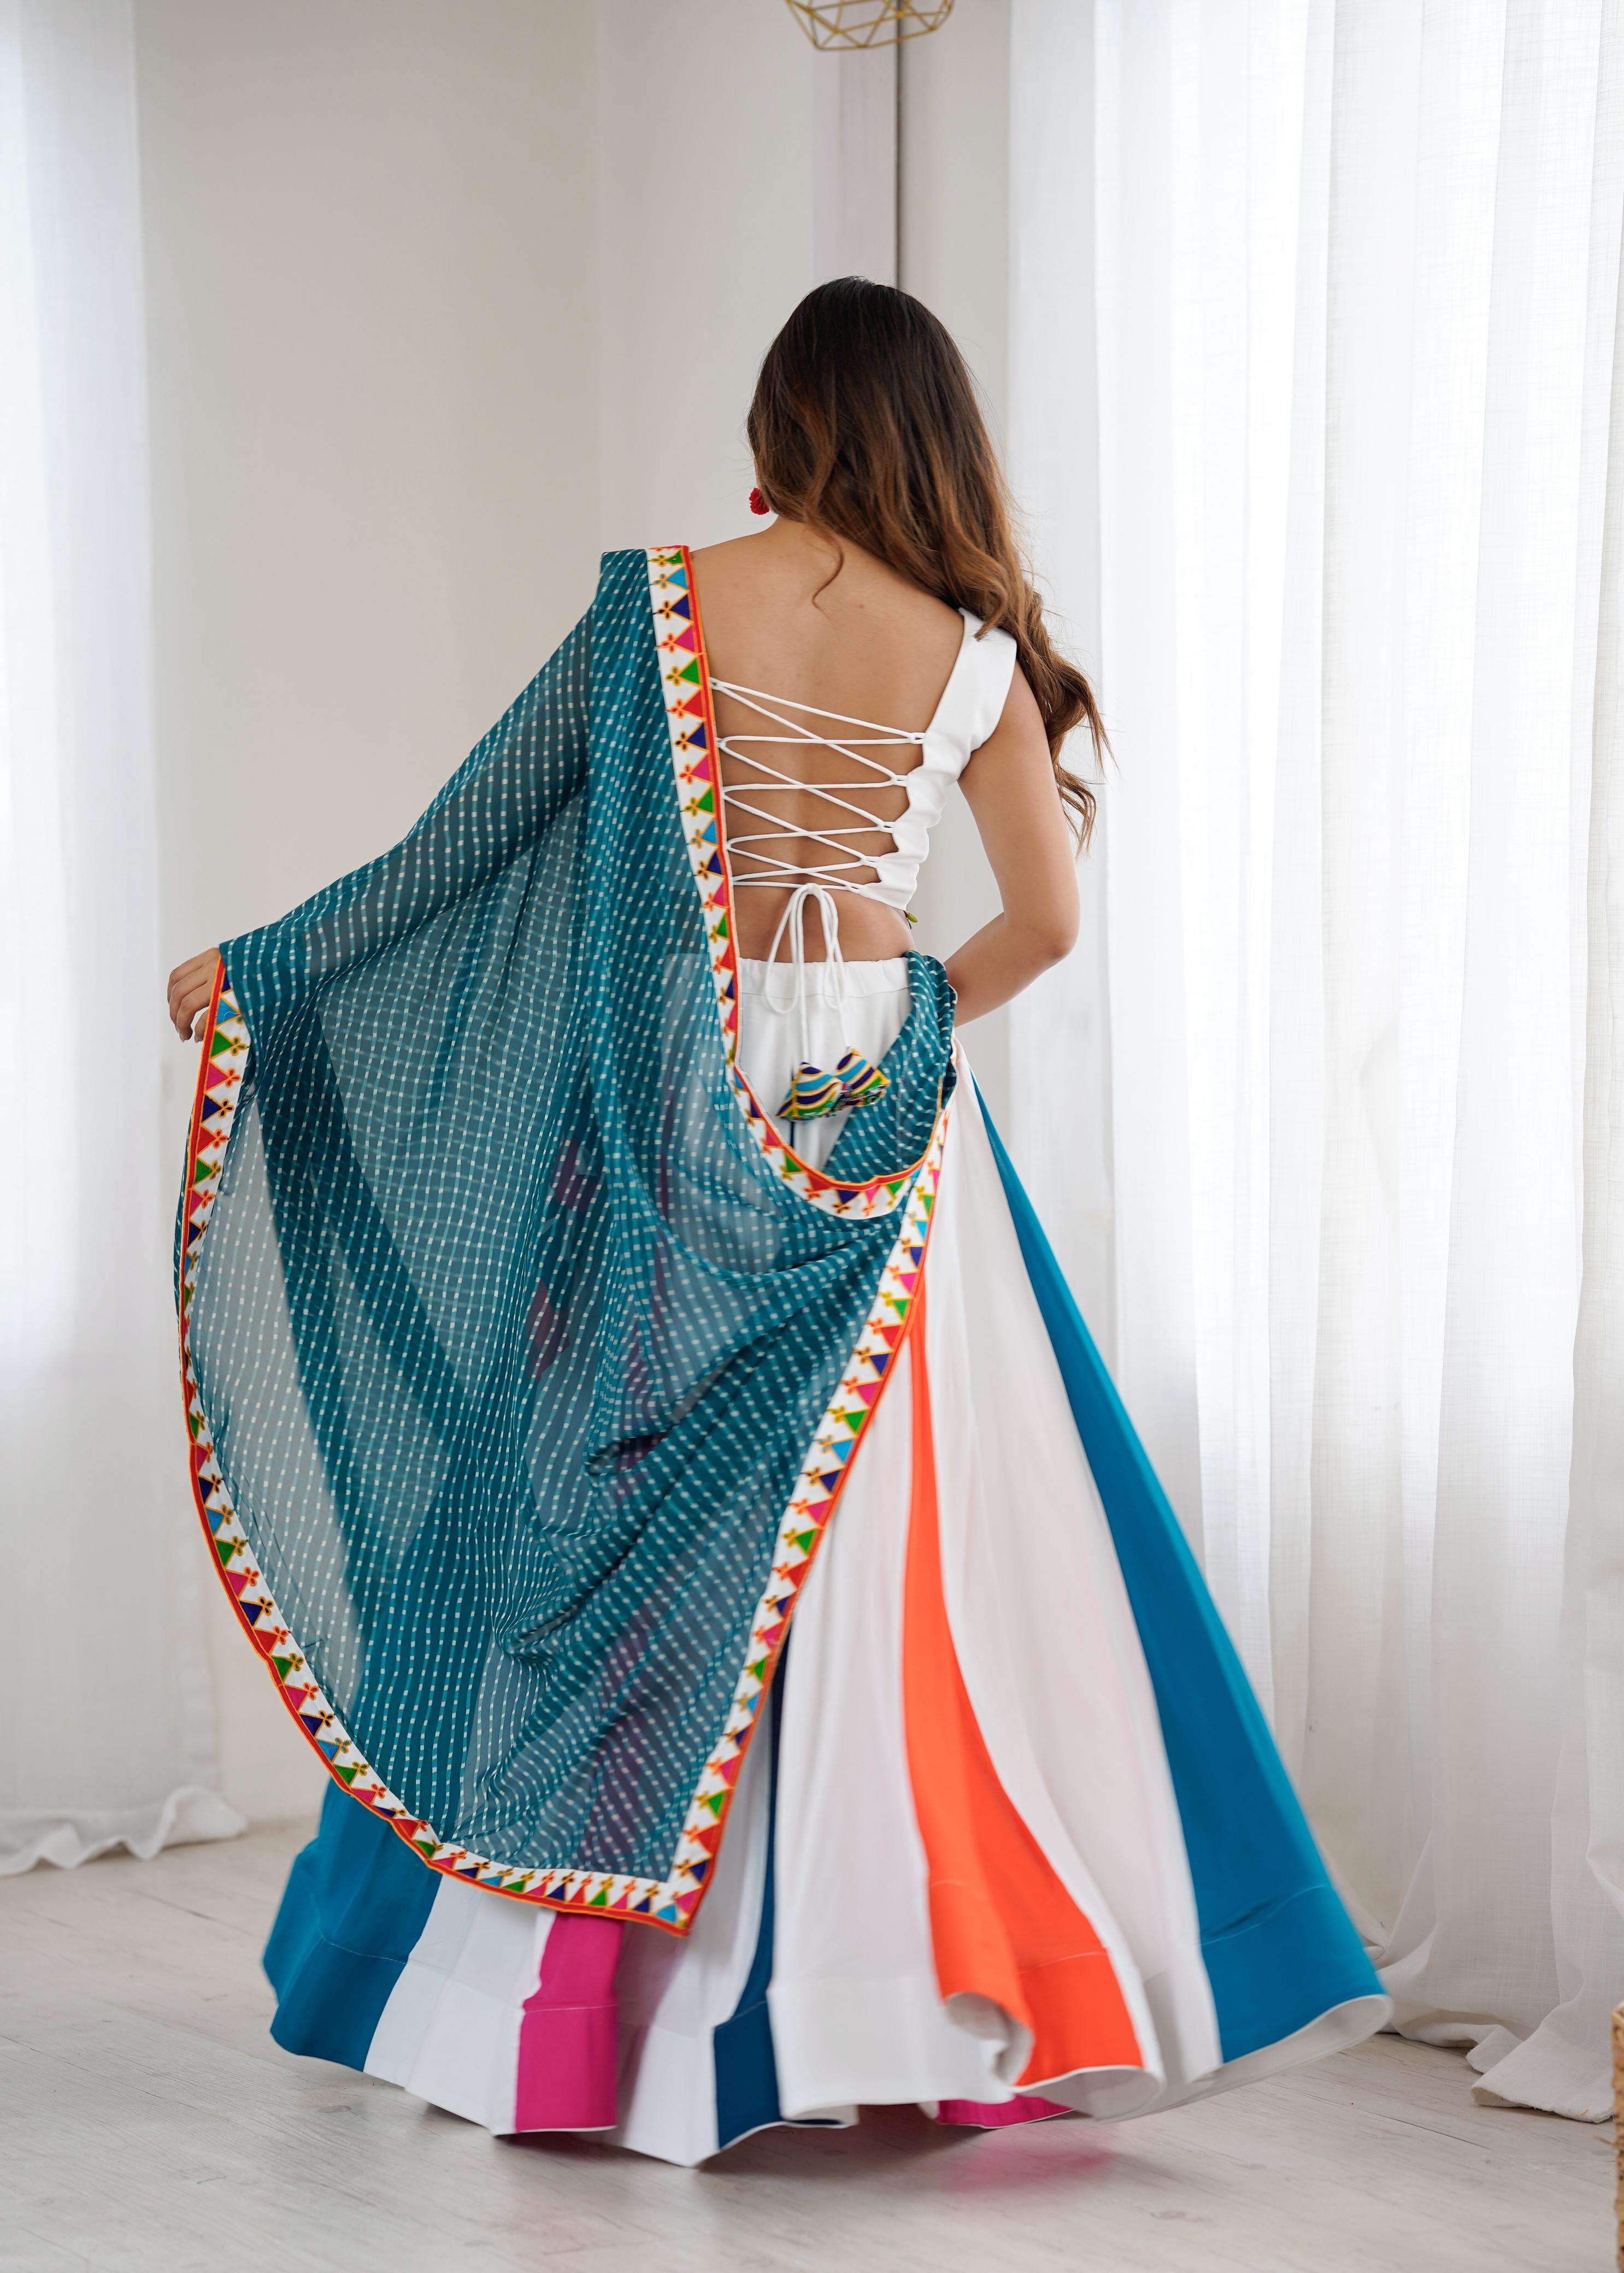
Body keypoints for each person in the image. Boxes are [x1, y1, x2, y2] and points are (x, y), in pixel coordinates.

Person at [167, 278, 1386, 2164]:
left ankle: (567, 2013)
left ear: (781, 425)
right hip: (877, 1085)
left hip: (675, 1077)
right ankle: (892, 1990)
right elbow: (1046, 923)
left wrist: (270, 967)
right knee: (896, 1539)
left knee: (610, 1510)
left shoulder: (659, 605)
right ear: (934, 436)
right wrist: (902, 1018)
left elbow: (468, 838)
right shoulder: (974, 654)